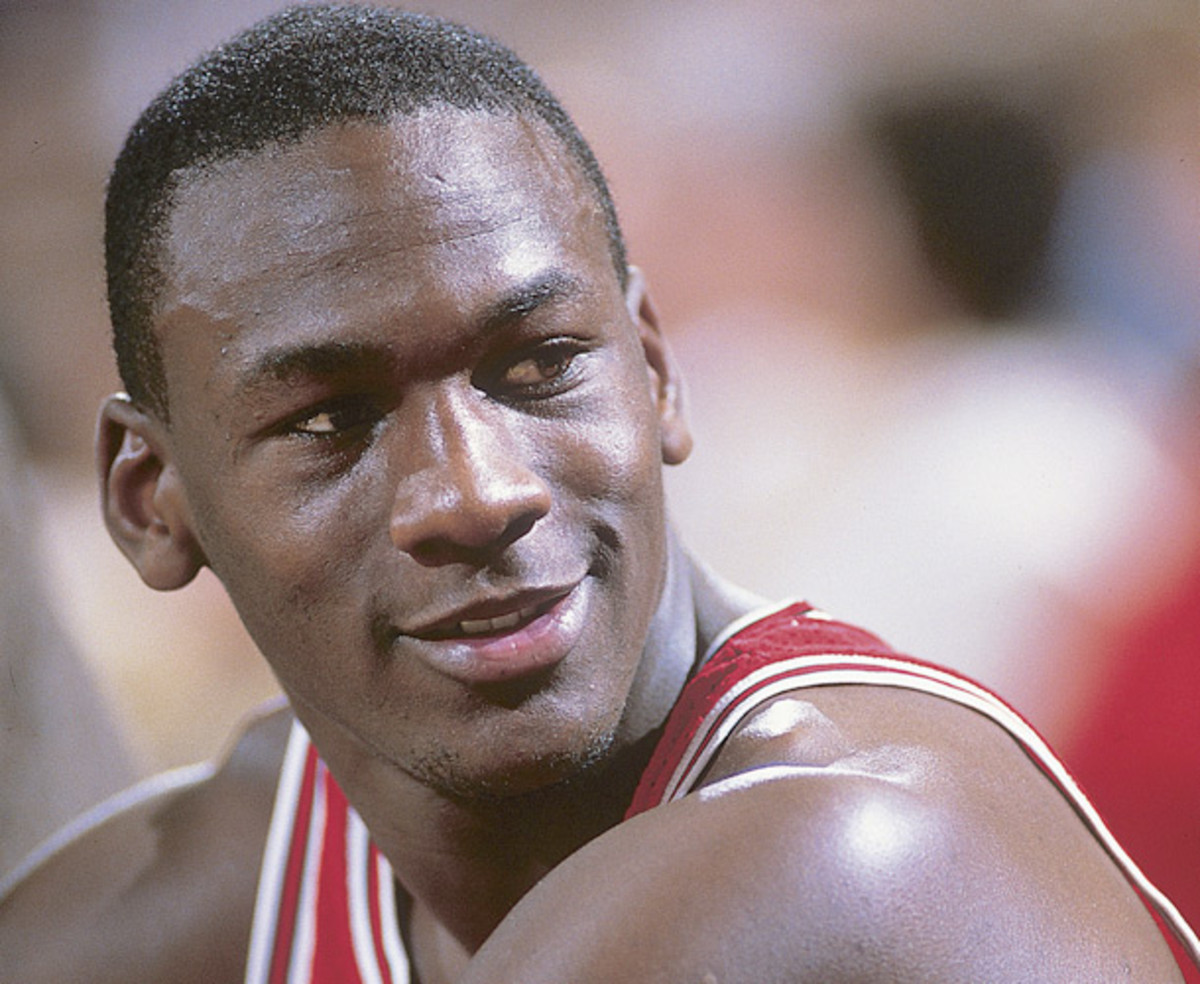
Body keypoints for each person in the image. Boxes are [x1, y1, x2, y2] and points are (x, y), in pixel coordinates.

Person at [1, 5, 1196, 981]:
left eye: (540, 368)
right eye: (331, 420)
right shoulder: (220, 879)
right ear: (152, 501)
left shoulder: (844, 849)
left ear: (659, 371)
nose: (474, 494)